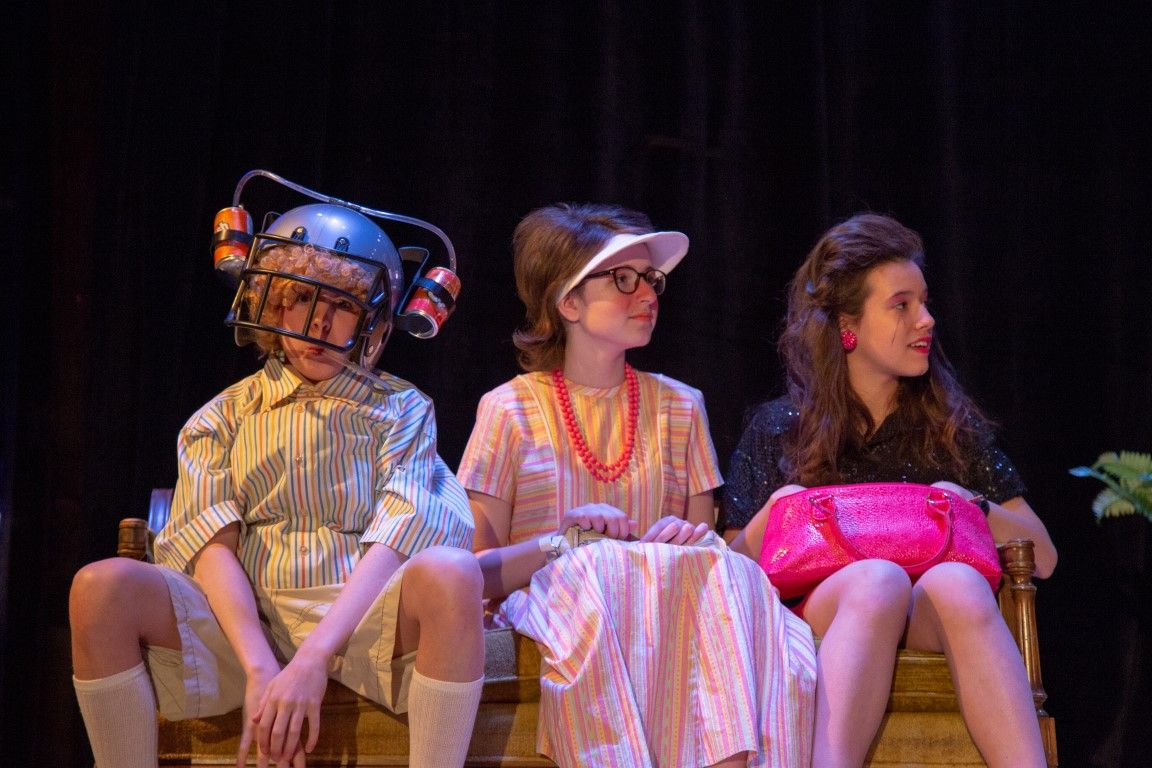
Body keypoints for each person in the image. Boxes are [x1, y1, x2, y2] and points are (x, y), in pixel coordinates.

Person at [69, 200, 484, 768]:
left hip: (361, 627)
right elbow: (213, 548)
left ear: (373, 320)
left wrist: (312, 660)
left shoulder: (403, 409)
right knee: (100, 587)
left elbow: (399, 536)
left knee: (453, 571)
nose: (318, 324)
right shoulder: (222, 417)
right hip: (239, 628)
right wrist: (261, 666)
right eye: (300, 298)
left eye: (342, 305)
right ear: (270, 302)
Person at [457, 202, 816, 768]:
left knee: (732, 574)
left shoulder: (681, 406)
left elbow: (708, 560)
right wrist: (566, 543)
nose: (648, 295)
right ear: (568, 301)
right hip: (564, 608)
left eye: (651, 280)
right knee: (598, 569)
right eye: (623, 279)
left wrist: (688, 537)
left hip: (666, 615)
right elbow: (474, 575)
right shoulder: (508, 410)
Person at [720, 212, 1057, 768]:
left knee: (959, 581)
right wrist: (777, 512)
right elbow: (727, 574)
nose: (926, 319)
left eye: (924, 302)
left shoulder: (949, 427)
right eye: (901, 305)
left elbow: (1042, 555)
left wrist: (968, 503)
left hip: (921, 615)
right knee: (878, 580)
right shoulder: (782, 428)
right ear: (846, 326)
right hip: (813, 614)